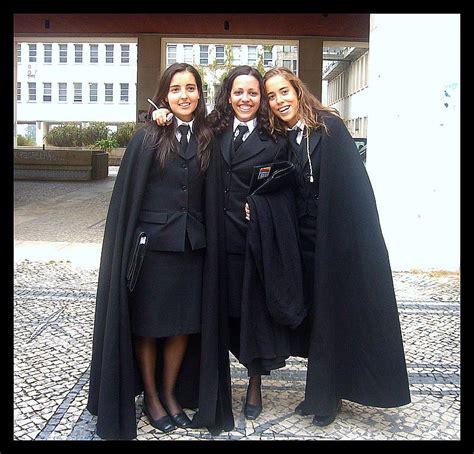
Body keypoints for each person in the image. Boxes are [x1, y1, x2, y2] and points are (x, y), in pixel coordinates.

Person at [86, 62, 233, 439]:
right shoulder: (148, 136)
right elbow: (129, 198)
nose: (185, 95)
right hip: (152, 252)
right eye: (176, 89)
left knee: (184, 326)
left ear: (200, 93)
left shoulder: (206, 137)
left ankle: (169, 394)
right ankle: (151, 397)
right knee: (149, 328)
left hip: (192, 249)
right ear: (165, 94)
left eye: (191, 88)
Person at [259, 67, 411, 426]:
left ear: (298, 91)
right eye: (272, 96)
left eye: (284, 92)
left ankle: (328, 397)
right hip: (304, 242)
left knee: (333, 316)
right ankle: (320, 391)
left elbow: (351, 191)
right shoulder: (285, 136)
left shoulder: (330, 128)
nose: (279, 100)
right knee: (317, 319)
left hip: (334, 241)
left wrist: (343, 242)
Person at [154, 65, 290, 421]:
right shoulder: (211, 131)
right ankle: (208, 385)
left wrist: (261, 208)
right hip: (213, 242)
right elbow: (177, 126)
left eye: (253, 93)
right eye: (238, 92)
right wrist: (157, 114)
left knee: (253, 318)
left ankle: (255, 383)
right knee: (215, 318)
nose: (245, 99)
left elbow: (284, 191)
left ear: (260, 99)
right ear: (228, 95)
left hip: (251, 244)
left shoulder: (275, 140)